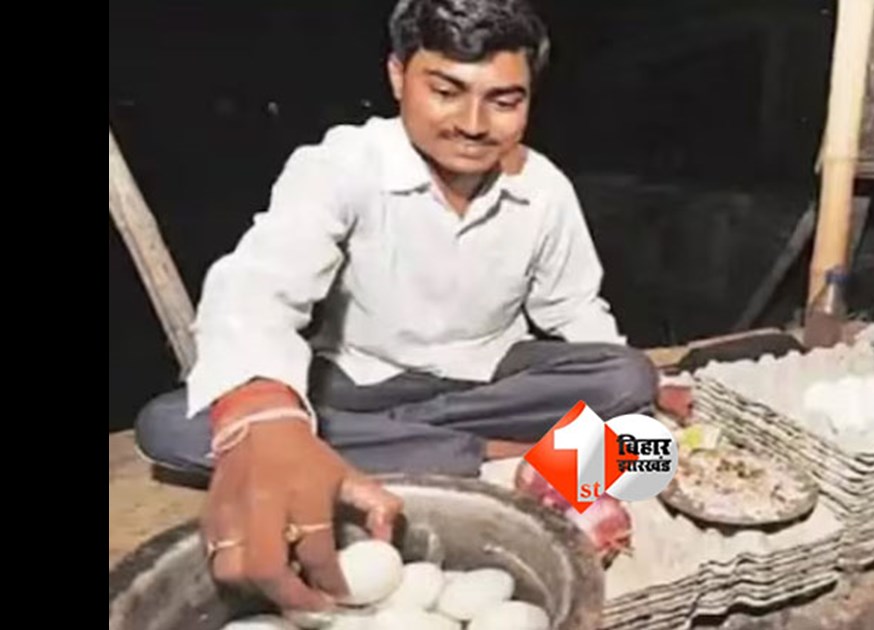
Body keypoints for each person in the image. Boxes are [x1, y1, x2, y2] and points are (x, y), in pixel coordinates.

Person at [133, 0, 663, 612]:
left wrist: (635, 387)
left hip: (487, 381)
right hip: (359, 383)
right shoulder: (340, 164)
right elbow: (259, 282)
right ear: (397, 76)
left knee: (630, 377)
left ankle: (417, 449)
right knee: (172, 427)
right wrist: (262, 413)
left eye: (503, 100)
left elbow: (574, 307)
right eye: (446, 91)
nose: (473, 123)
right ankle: (501, 452)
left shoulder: (543, 186)